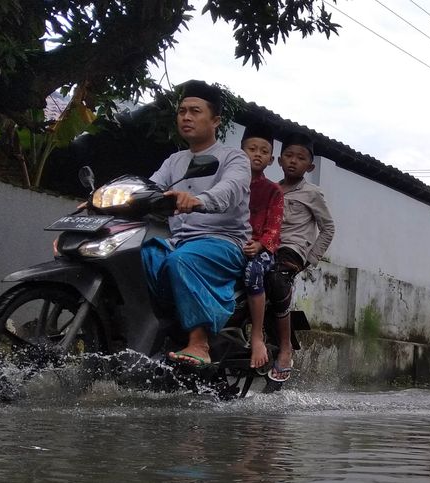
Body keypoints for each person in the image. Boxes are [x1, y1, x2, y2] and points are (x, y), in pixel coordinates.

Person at [142, 79, 251, 367]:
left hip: (224, 242)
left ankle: (199, 343)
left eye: (195, 111)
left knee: (182, 261)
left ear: (215, 120)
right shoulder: (175, 160)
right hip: (180, 241)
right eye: (181, 111)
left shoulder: (234, 158)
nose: (186, 117)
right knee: (141, 255)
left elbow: (231, 190)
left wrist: (199, 199)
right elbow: (149, 189)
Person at [267, 132, 335, 382]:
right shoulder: (270, 189)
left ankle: (285, 348)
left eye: (301, 158)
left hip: (292, 250)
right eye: (289, 156)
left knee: (276, 279)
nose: (293, 161)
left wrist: (311, 258)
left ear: (311, 166)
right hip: (267, 246)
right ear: (279, 160)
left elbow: (328, 228)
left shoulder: (312, 193)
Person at [239, 124, 284, 370]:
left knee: (253, 272)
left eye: (263, 151)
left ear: (270, 159)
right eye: (252, 149)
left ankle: (256, 336)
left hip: (262, 251)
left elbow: (274, 228)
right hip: (232, 242)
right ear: (241, 151)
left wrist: (260, 245)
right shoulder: (231, 182)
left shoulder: (273, 190)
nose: (257, 154)